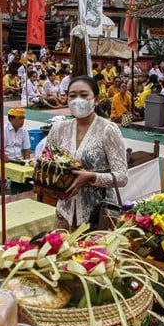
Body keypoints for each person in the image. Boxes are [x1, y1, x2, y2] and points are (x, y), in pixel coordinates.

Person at [45, 75, 128, 228]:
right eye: (72, 96)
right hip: (64, 213)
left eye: (84, 95)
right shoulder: (58, 129)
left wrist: (91, 177)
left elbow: (122, 177)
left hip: (98, 215)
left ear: (95, 100)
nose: (78, 100)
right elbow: (46, 163)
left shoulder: (108, 130)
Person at [0, 107, 31, 183]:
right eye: (20, 118)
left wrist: (27, 161)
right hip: (4, 161)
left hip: (19, 161)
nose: (22, 121)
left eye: (23, 118)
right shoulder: (2, 131)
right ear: (11, 119)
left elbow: (26, 149)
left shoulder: (24, 131)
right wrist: (11, 163)